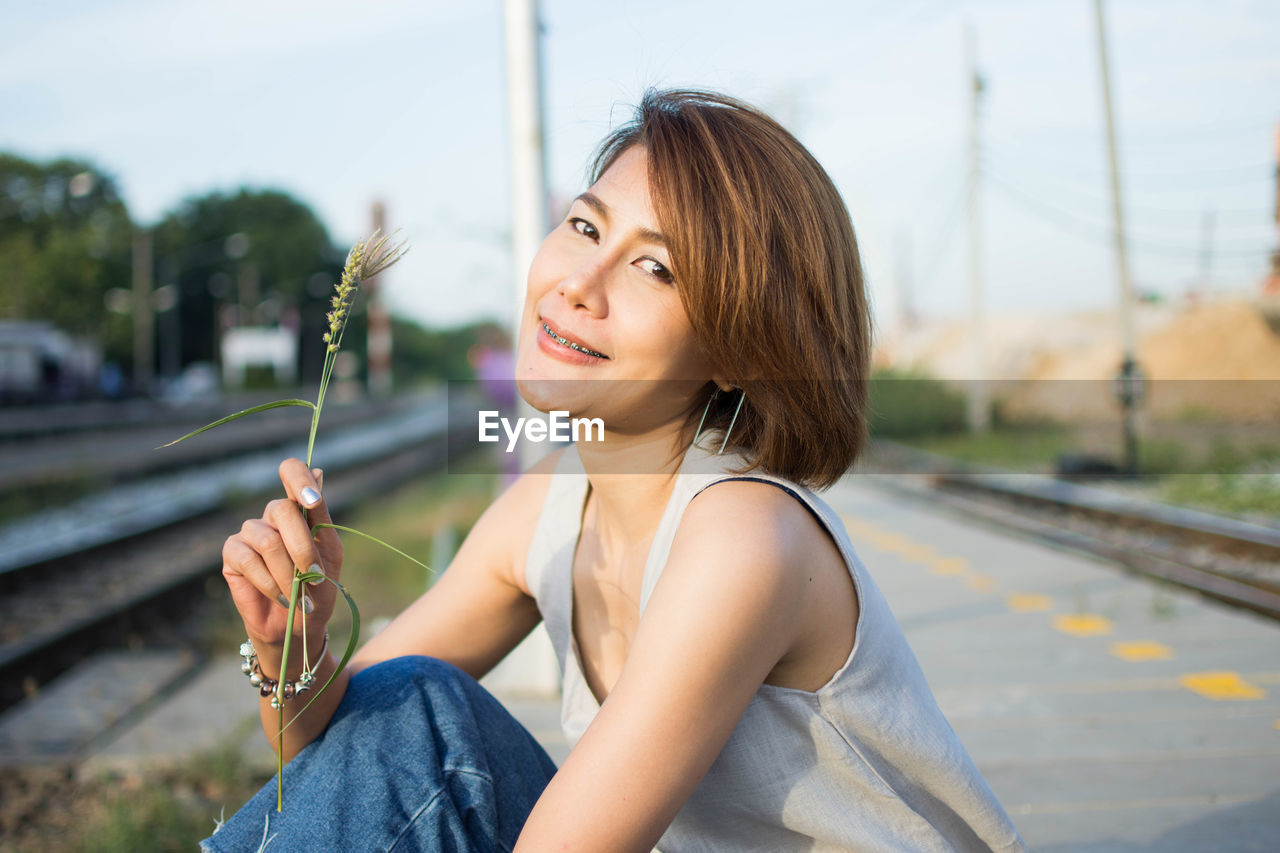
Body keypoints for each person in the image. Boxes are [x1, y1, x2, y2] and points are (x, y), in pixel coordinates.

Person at [202, 89, 1027, 852]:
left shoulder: (746, 535)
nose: (579, 284)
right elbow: (343, 749)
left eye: (655, 268)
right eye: (586, 228)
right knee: (409, 704)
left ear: (739, 349)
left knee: (427, 714)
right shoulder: (549, 508)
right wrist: (293, 648)